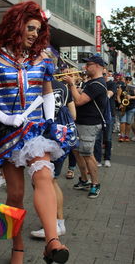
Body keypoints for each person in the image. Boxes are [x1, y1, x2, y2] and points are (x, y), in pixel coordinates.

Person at [0, 1, 69, 264]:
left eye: (38, 30)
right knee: (15, 194)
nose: (34, 34)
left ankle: (53, 241)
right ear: (16, 26)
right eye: (30, 28)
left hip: (35, 130)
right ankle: (17, 247)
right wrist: (6, 117)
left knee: (43, 176)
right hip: (4, 134)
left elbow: (47, 93)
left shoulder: (43, 59)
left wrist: (49, 120)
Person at [31, 72, 76, 238]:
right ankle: (59, 223)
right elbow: (74, 115)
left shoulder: (36, 86)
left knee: (45, 183)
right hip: (61, 137)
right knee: (52, 180)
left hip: (43, 138)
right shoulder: (64, 87)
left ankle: (53, 224)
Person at [63, 55, 107, 199]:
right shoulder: (91, 82)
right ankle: (84, 180)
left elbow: (80, 100)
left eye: (89, 64)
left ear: (98, 66)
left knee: (88, 154)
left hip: (89, 123)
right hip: (80, 122)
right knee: (77, 151)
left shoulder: (97, 84)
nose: (85, 67)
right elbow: (79, 97)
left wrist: (71, 84)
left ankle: (95, 184)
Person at [94, 68, 117, 167]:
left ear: (108, 74)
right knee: (98, 138)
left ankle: (107, 158)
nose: (103, 76)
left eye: (105, 74)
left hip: (109, 114)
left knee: (108, 138)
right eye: (102, 74)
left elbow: (108, 95)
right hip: (98, 114)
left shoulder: (112, 84)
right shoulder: (97, 83)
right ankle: (98, 160)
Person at [117, 76, 135, 142]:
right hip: (123, 106)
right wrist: (120, 103)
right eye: (126, 79)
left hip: (131, 106)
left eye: (129, 80)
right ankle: (122, 135)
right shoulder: (121, 87)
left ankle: (127, 136)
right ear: (125, 80)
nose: (128, 81)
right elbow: (118, 96)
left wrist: (131, 97)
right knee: (122, 122)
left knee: (128, 122)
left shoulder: (133, 88)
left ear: (131, 81)